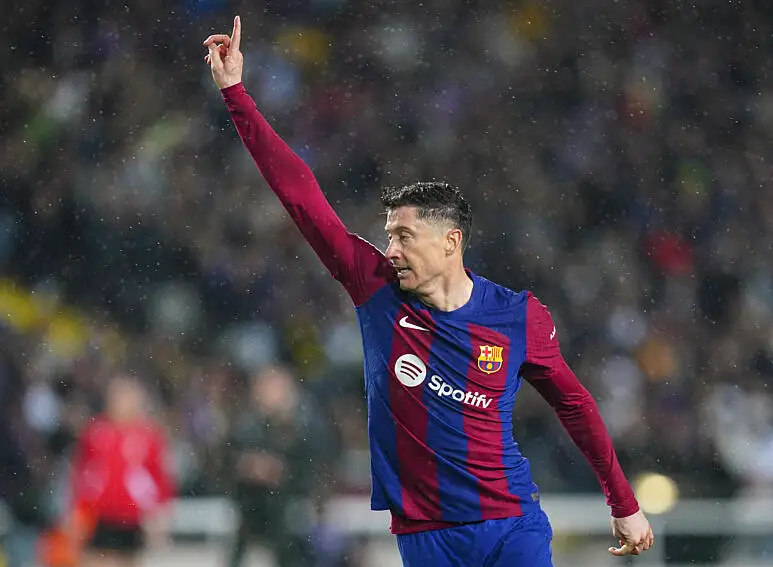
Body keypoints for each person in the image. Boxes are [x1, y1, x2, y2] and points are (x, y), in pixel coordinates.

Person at [203, 16, 654, 566]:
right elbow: (301, 196)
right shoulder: (376, 289)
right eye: (388, 235)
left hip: (512, 522)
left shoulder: (517, 316)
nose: (390, 249)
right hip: (426, 534)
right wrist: (236, 94)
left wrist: (623, 501)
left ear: (450, 242)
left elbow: (574, 404)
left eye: (404, 237)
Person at [227, 365, 331, 567]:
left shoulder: (307, 423)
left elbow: (316, 466)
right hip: (255, 511)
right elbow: (230, 460)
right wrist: (248, 466)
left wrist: (280, 470)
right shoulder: (247, 425)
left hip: (293, 514)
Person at [68, 375, 173, 567]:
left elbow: (159, 478)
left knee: (127, 560)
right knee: (94, 559)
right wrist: (77, 509)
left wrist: (159, 514)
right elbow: (82, 473)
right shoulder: (96, 432)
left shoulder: (148, 436)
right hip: (99, 513)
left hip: (130, 516)